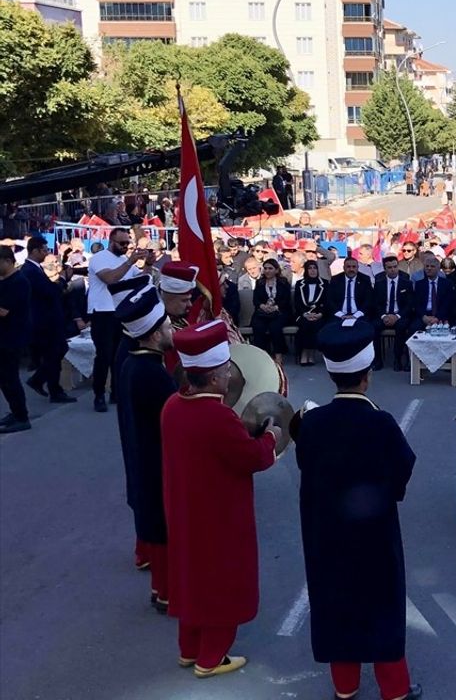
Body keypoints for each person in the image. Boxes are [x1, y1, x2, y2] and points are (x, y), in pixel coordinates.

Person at [297, 319, 422, 700]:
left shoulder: (312, 422)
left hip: (326, 531)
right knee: (381, 604)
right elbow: (404, 466)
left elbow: (305, 463)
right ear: (366, 376)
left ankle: (345, 686)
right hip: (373, 532)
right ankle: (395, 689)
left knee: (336, 601)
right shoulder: (381, 422)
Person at [162, 320, 279, 678]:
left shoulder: (172, 406)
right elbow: (253, 457)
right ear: (213, 378)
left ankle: (189, 648)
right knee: (221, 582)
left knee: (191, 577)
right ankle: (211, 658)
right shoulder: (217, 416)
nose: (230, 374)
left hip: (184, 509)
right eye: (226, 369)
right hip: (219, 514)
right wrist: (271, 436)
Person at [115, 287, 177, 611]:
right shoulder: (153, 374)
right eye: (167, 327)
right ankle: (167, 593)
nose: (172, 331)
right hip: (157, 461)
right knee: (163, 524)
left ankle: (159, 588)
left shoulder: (131, 364)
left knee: (152, 521)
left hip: (141, 455)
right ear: (154, 335)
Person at [88, 228, 151, 412]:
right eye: (122, 243)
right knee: (104, 355)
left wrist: (147, 265)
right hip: (102, 311)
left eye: (127, 243)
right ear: (111, 241)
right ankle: (99, 394)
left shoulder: (124, 260)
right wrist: (131, 261)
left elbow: (138, 279)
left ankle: (117, 392)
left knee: (120, 355)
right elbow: (111, 279)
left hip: (120, 311)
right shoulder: (99, 258)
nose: (125, 247)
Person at [21, 236, 74, 403]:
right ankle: (48, 385)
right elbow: (48, 291)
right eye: (44, 250)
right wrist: (63, 280)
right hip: (44, 322)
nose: (46, 253)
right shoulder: (29, 270)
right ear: (35, 251)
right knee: (54, 354)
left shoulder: (35, 269)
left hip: (49, 320)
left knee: (57, 352)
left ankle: (47, 384)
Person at [0, 246, 32, 434]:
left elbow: (4, 311)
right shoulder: (5, 281)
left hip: (12, 337)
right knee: (4, 379)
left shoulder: (19, 282)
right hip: (4, 337)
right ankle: (15, 411)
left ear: (7, 261)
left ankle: (22, 416)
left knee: (10, 378)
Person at [370, 256, 416, 372]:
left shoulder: (406, 283)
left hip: (399, 315)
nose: (392, 270)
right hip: (384, 315)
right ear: (385, 269)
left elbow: (409, 305)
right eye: (389, 267)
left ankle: (398, 359)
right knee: (373, 327)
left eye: (395, 267)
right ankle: (378, 360)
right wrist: (384, 316)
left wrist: (397, 316)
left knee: (402, 327)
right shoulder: (379, 283)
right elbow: (376, 304)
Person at [250, 259, 291, 364]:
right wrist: (263, 306)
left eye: (270, 268)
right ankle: (262, 354)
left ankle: (278, 354)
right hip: (263, 312)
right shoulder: (259, 282)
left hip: (279, 311)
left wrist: (276, 307)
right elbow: (256, 299)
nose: (267, 271)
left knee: (275, 326)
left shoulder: (283, 282)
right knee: (258, 326)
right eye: (265, 268)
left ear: (276, 270)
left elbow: (286, 299)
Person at [292, 260, 327, 366]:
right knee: (305, 324)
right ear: (306, 270)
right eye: (310, 268)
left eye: (314, 268)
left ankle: (311, 354)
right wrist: (305, 314)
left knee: (315, 324)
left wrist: (320, 313)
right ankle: (304, 353)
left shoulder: (324, 283)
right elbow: (297, 303)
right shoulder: (300, 284)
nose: (312, 271)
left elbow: (327, 302)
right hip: (303, 314)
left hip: (319, 315)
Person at [326, 257, 374, 322]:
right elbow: (330, 300)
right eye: (348, 267)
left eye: (354, 267)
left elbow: (368, 300)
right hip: (339, 315)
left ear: (357, 268)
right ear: (343, 268)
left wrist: (356, 315)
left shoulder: (365, 279)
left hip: (359, 315)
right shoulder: (335, 280)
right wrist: (341, 315)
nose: (351, 269)